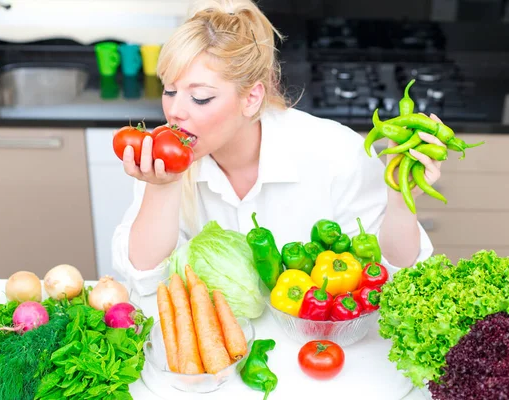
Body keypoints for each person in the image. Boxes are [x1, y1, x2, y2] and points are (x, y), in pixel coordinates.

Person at [112, 0, 443, 296]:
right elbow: (144, 280)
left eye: (200, 97)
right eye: (169, 91)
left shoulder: (336, 151)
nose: (175, 112)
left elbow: (398, 273)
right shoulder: (160, 156)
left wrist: (400, 198)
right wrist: (163, 187)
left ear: (251, 97)